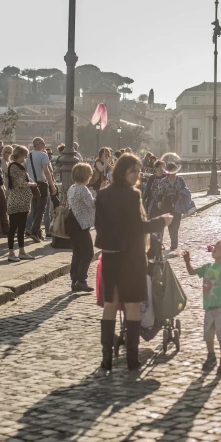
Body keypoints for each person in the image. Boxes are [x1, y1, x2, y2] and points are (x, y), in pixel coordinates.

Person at [95, 153, 171, 372]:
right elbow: (139, 227)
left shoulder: (102, 195)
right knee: (132, 305)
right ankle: (132, 358)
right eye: (133, 171)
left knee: (111, 305)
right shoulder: (133, 195)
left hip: (110, 255)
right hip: (131, 257)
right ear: (123, 172)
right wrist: (162, 221)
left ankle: (106, 358)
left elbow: (98, 225)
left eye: (139, 170)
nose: (138, 175)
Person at [182, 240, 221, 375]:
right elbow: (191, 272)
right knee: (208, 335)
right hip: (209, 307)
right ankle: (211, 356)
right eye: (216, 247)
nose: (214, 248)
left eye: (218, 248)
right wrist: (187, 261)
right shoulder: (207, 267)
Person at [4, 145, 37, 262]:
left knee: (22, 228)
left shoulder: (21, 167)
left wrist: (32, 183)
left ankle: (22, 251)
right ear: (20, 155)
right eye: (25, 155)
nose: (26, 158)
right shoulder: (13, 167)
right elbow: (21, 183)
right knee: (13, 227)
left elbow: (28, 179)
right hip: (15, 202)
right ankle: (11, 252)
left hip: (24, 202)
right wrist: (34, 185)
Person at [67, 163, 95, 292]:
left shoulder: (72, 188)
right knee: (88, 252)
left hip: (72, 223)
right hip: (80, 224)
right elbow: (92, 204)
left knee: (77, 253)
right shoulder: (83, 189)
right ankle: (81, 280)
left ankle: (75, 280)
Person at [25, 138, 57, 242]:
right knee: (41, 209)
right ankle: (34, 231)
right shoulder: (43, 155)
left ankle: (37, 233)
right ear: (38, 144)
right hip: (41, 183)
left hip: (31, 184)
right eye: (43, 143)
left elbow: (25, 170)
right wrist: (52, 186)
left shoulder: (28, 155)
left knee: (35, 207)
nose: (44, 145)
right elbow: (46, 171)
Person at [156, 158, 189, 251]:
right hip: (167, 203)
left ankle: (174, 242)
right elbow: (160, 193)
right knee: (170, 223)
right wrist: (159, 202)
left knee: (176, 222)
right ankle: (173, 242)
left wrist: (182, 195)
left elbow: (186, 189)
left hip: (178, 202)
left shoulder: (180, 180)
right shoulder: (163, 181)